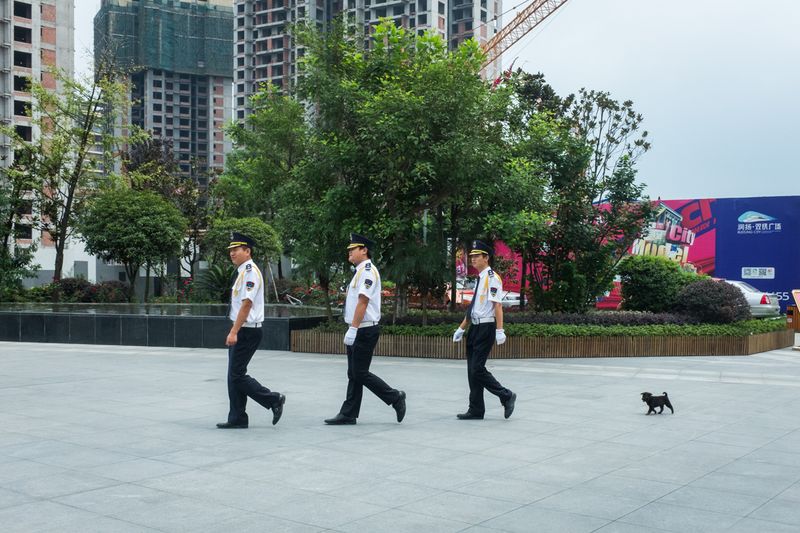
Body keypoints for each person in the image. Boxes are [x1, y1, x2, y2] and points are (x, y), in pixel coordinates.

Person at [324, 233, 406, 425]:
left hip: (364, 329)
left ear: (364, 250)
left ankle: (395, 397)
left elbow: (363, 302)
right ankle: (349, 413)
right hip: (358, 328)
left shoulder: (368, 271)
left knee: (359, 372)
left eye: (353, 249)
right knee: (353, 372)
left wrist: (353, 328)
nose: (349, 253)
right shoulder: (359, 271)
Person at [216, 232, 286, 429]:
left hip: (247, 331)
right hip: (242, 329)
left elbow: (247, 304)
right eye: (230, 250)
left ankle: (273, 399)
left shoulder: (251, 273)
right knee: (234, 375)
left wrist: (234, 332)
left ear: (247, 251)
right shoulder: (242, 272)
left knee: (237, 375)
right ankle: (237, 417)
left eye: (236, 250)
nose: (232, 253)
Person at [452, 240, 516, 420]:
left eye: (476, 256)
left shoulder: (492, 278)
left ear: (486, 258)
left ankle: (506, 395)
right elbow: (473, 308)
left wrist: (500, 330)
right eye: (471, 256)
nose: (473, 259)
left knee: (477, 369)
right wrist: (461, 328)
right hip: (475, 326)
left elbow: (497, 306)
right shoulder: (480, 278)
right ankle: (476, 409)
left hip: (486, 327)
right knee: (471, 370)